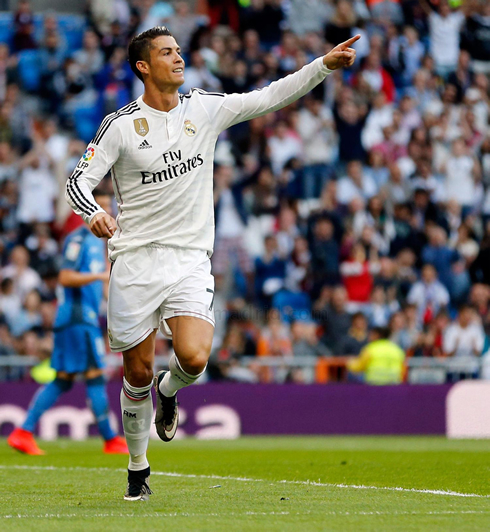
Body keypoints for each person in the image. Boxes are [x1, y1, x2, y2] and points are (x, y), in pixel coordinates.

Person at [65, 25, 359, 501]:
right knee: (135, 373)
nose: (178, 58)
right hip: (135, 260)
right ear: (144, 66)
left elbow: (269, 97)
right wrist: (94, 214)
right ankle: (137, 470)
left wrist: (322, 66)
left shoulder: (202, 107)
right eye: (166, 53)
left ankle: (170, 389)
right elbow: (77, 181)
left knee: (195, 358)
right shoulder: (120, 126)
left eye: (179, 51)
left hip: (189, 258)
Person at [8, 190, 128, 456]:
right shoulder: (78, 240)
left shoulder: (100, 243)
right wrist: (99, 276)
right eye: (101, 207)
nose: (107, 214)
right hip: (77, 318)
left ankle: (23, 432)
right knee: (95, 377)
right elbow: (64, 277)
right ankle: (110, 440)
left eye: (109, 208)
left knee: (63, 380)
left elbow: (103, 287)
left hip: (81, 318)